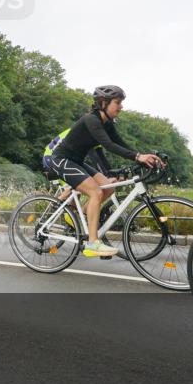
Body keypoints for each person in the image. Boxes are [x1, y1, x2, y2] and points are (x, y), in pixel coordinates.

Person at [46, 85, 163, 257]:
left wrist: (145, 156)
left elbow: (121, 144)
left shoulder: (107, 123)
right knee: (95, 193)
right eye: (117, 102)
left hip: (77, 161)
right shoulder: (91, 119)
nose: (121, 106)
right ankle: (92, 243)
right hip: (60, 160)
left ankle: (82, 217)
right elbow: (108, 145)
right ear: (103, 102)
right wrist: (137, 157)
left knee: (108, 188)